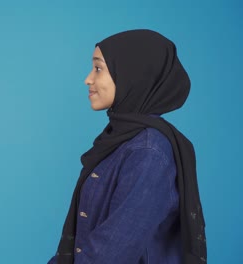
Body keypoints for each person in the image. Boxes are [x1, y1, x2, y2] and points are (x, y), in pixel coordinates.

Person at [48, 30, 207, 263]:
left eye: (98, 68)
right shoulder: (120, 141)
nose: (88, 79)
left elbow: (111, 251)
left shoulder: (148, 151)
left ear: (132, 73)